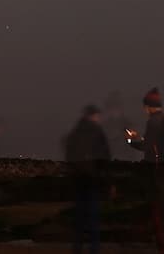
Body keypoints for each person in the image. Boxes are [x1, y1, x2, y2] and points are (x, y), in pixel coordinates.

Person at [124, 87, 164, 254]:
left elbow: (147, 146)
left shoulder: (153, 121)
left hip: (159, 176)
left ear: (148, 106)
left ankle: (163, 250)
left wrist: (131, 141)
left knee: (159, 218)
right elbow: (156, 144)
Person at [63, 103, 112, 254]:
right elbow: (104, 158)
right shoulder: (97, 132)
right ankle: (93, 249)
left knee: (80, 219)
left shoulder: (75, 132)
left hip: (78, 181)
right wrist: (108, 181)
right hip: (92, 181)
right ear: (94, 116)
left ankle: (77, 248)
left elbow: (69, 153)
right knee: (93, 219)